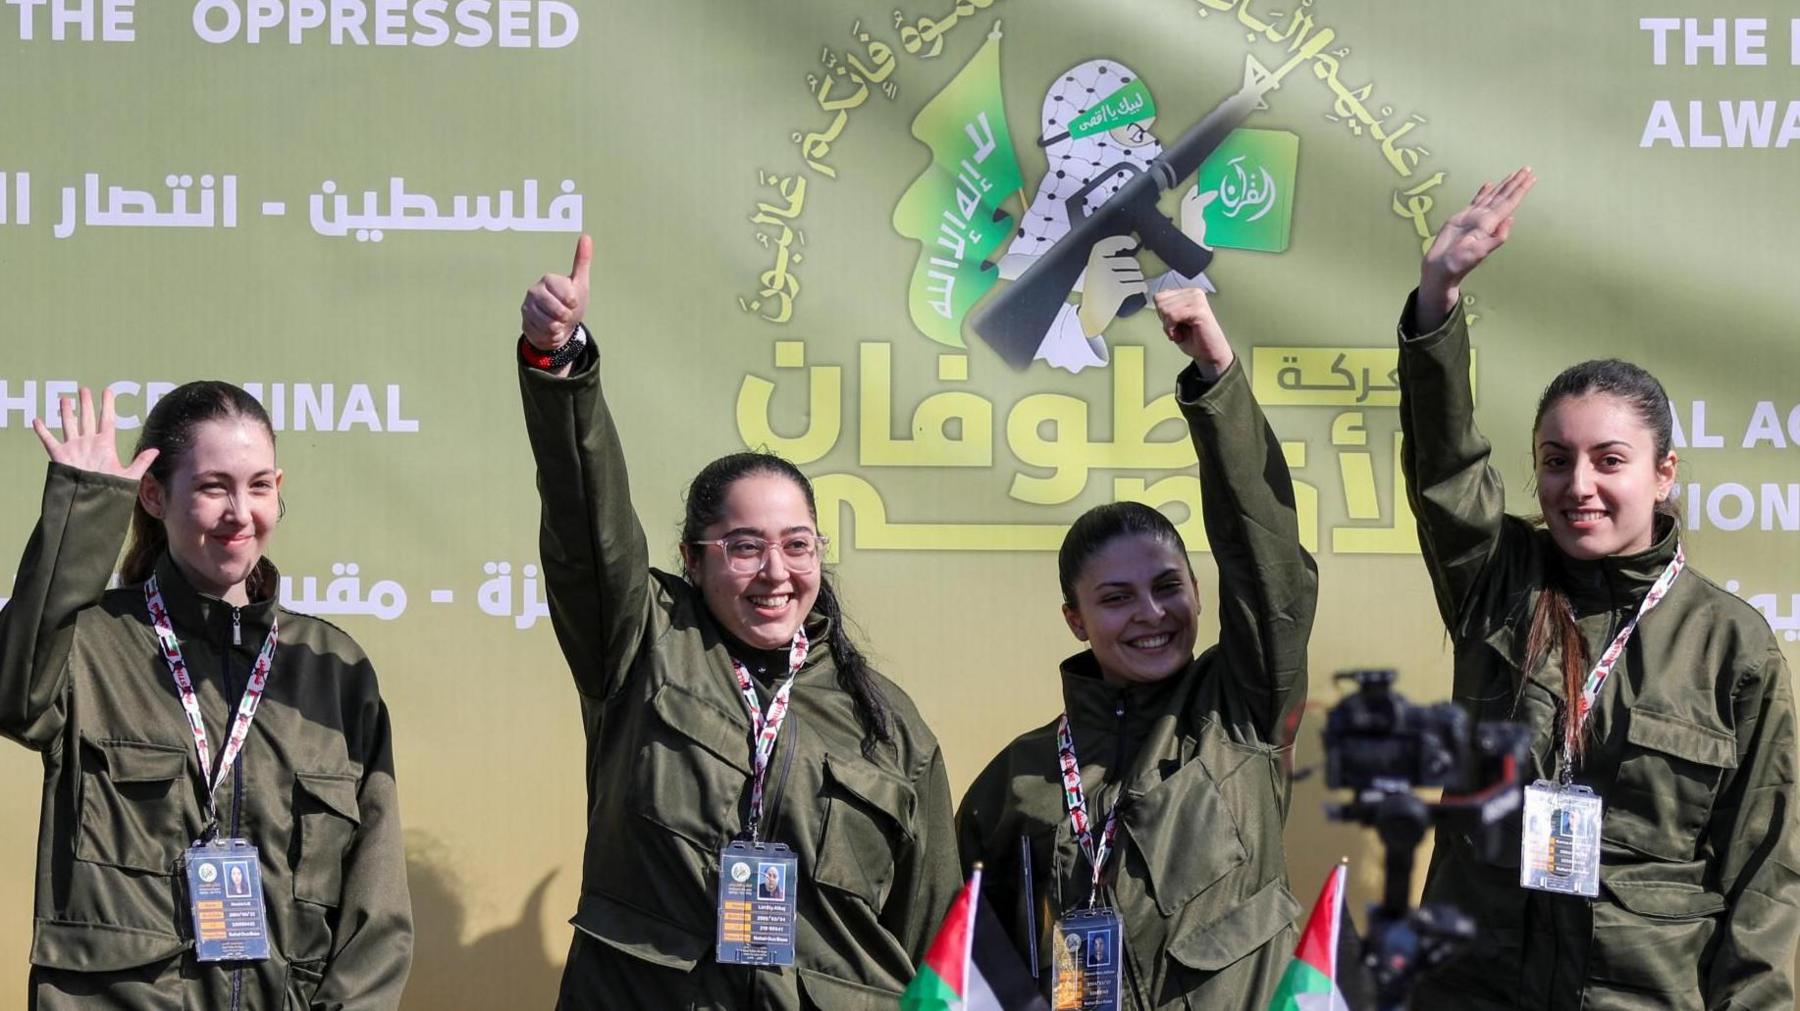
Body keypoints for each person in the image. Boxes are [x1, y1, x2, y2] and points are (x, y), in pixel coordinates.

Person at [515, 235, 961, 1009]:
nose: (777, 573)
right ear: (692, 557)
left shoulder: (890, 726)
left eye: (798, 546)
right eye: (745, 547)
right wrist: (562, 368)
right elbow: (588, 521)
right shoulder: (644, 645)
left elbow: (933, 944)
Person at [1398, 167, 1800, 1008]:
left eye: (1609, 460)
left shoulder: (1729, 641)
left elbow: (1766, 872)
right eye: (1555, 460)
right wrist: (1437, 298)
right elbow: (1445, 467)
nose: (1578, 483)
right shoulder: (1499, 583)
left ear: (1663, 474)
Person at [956, 288, 1317, 1009]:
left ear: (1198, 590)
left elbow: (1268, 564)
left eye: (1167, 586)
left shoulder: (1241, 712)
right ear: (1075, 619)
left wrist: (1217, 376)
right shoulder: (1019, 777)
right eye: (1116, 598)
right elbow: (964, 945)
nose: (1151, 614)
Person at [0, 384, 412, 1009]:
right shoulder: (91, 643)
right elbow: (15, 696)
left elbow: (375, 910)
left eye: (259, 486)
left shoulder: (333, 669)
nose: (240, 513)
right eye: (214, 486)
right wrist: (85, 509)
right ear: (155, 495)